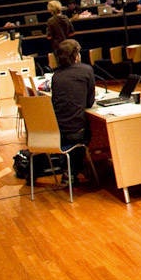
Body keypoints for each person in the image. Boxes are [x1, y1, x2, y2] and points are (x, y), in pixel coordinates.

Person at [49, 38, 95, 182]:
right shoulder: (86, 70)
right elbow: (89, 102)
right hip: (76, 134)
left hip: (57, 133)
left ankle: (69, 170)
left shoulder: (56, 76)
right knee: (91, 129)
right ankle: (74, 171)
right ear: (76, 55)